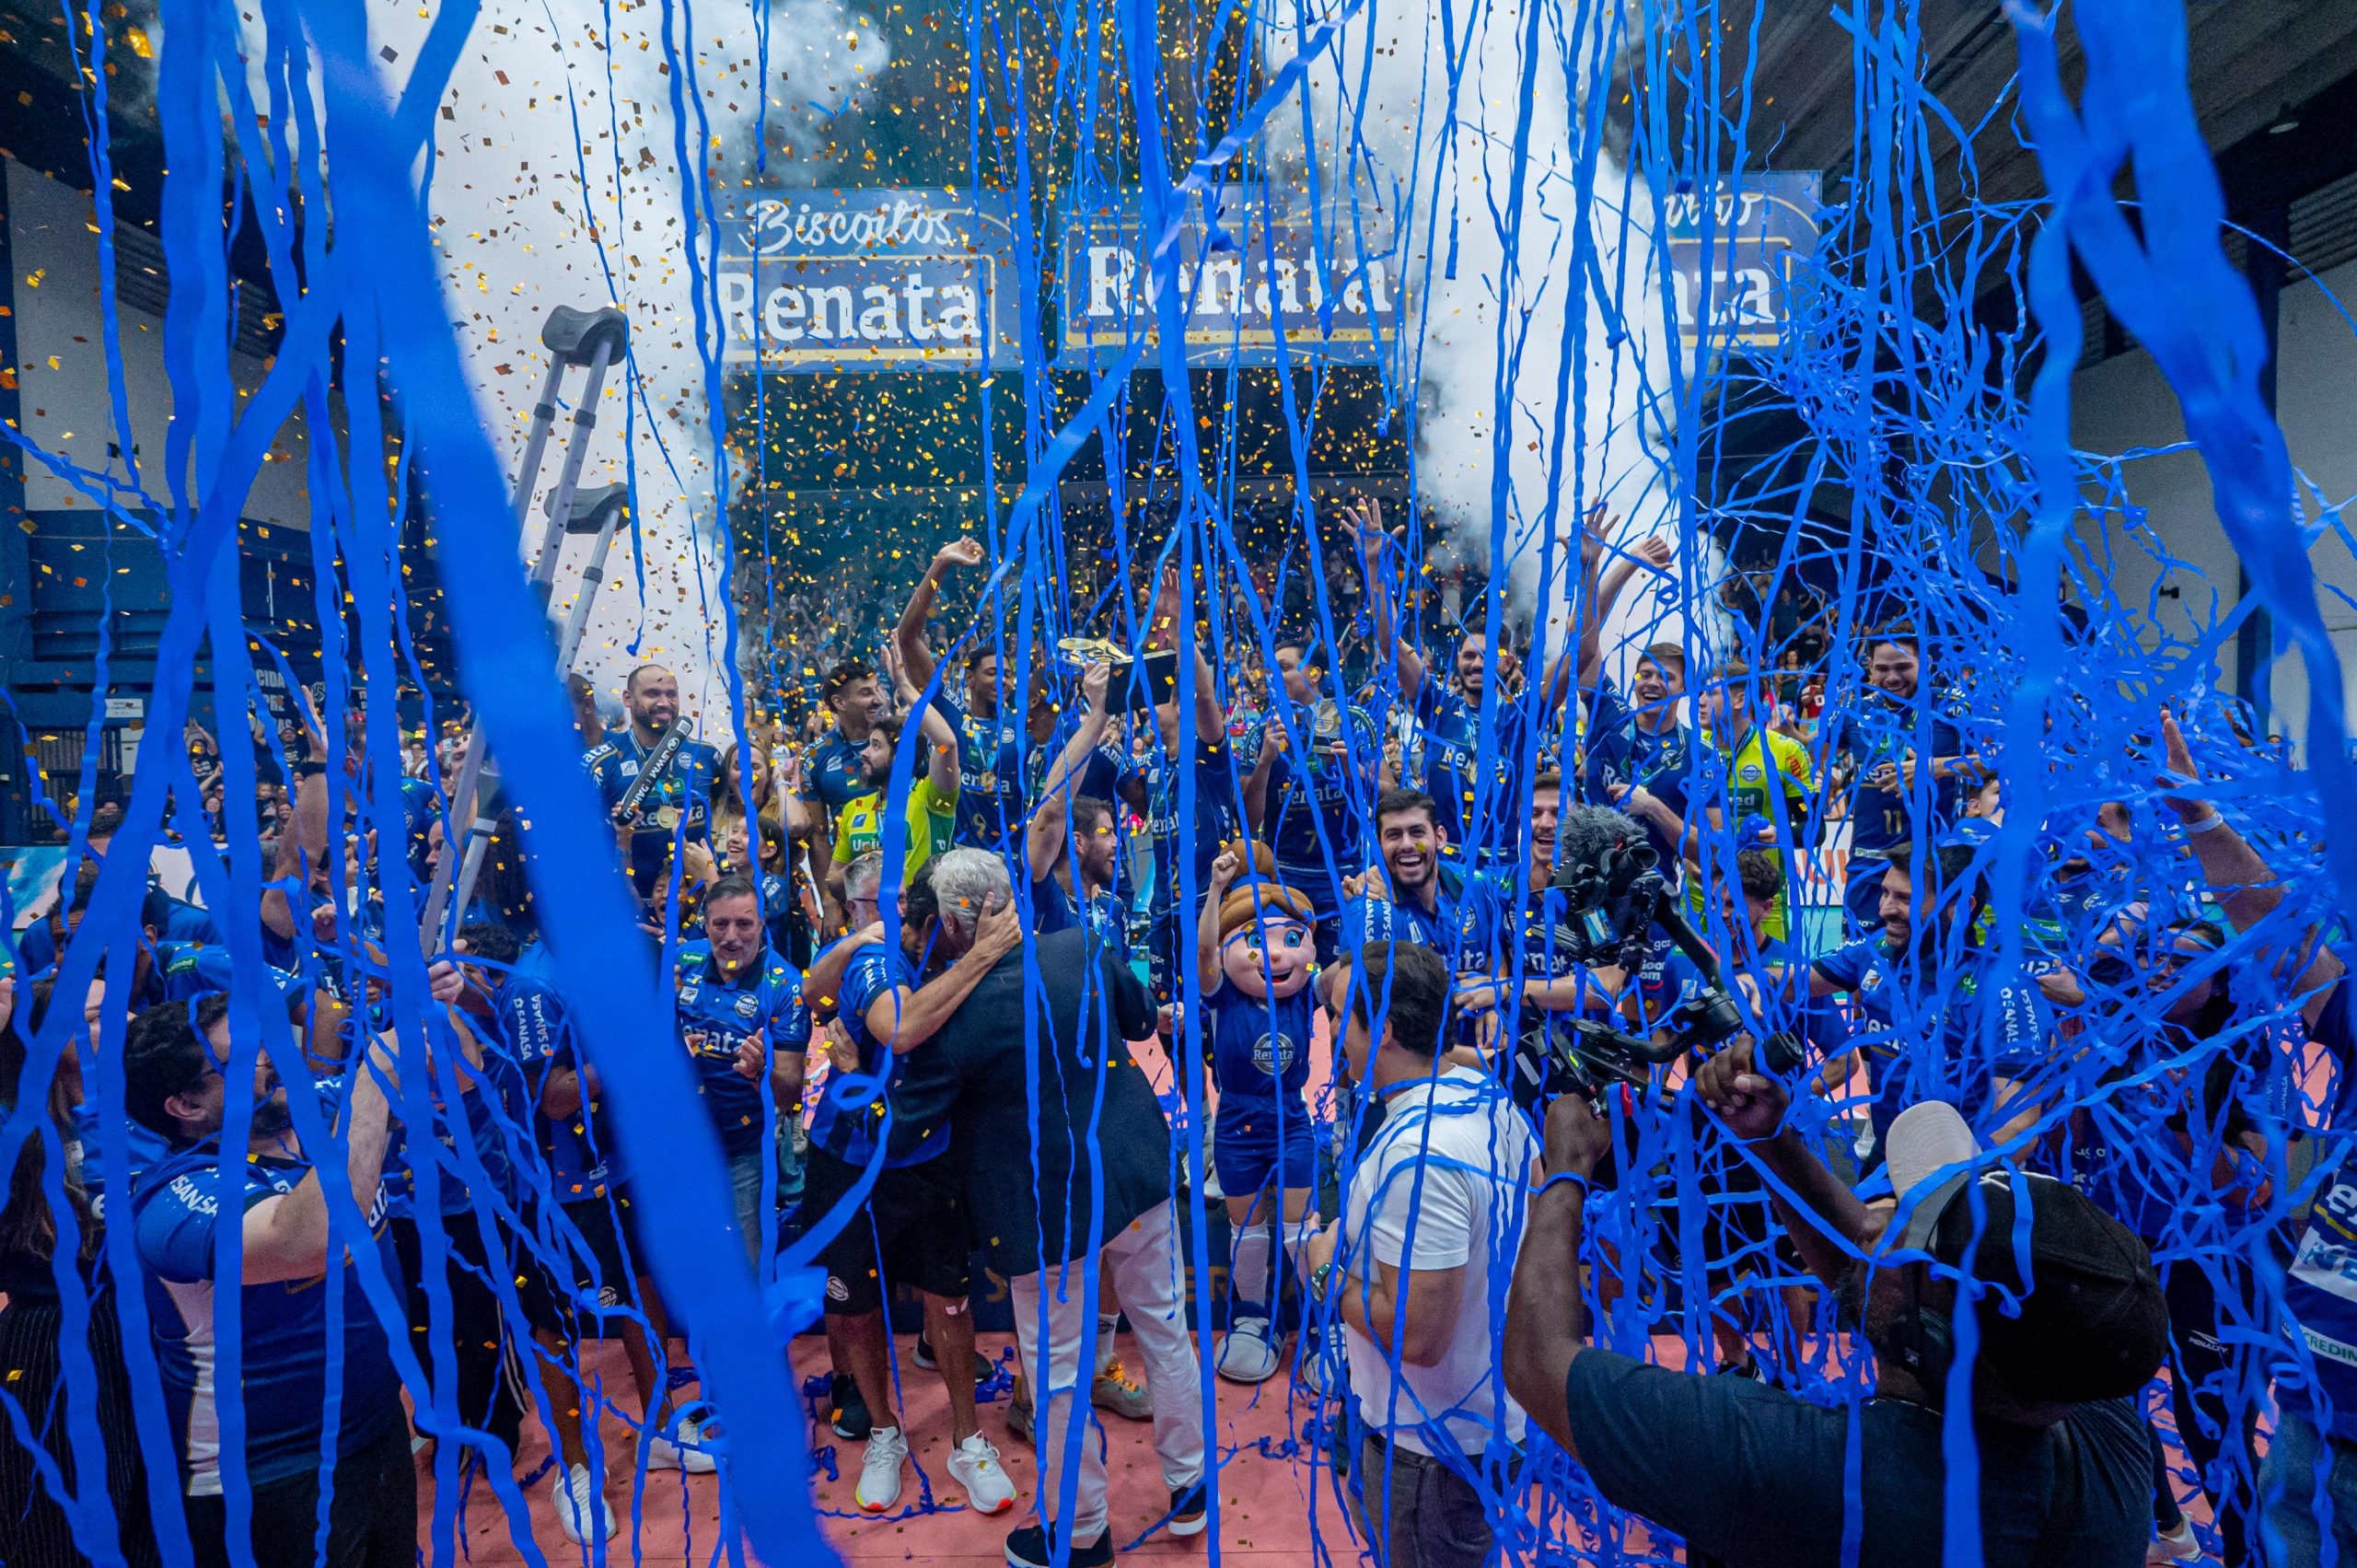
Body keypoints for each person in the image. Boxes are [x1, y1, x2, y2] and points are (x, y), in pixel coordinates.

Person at [1504, 1060, 2168, 1567]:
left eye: (1895, 1233)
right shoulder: (2086, 1406)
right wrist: (1771, 1140)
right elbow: (1869, 1283)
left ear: (1931, 1337)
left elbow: (1539, 1364)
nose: (1871, 1220)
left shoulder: (1812, 1473)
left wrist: (1564, 1169)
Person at [925, 848, 1208, 1568]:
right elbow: (1142, 1018)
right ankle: (1189, 1484)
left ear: (956, 927)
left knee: (1057, 1373)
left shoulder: (951, 1017)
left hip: (1046, 1208)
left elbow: (914, 1121)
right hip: (1135, 1171)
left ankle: (1082, 1533)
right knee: (1165, 1330)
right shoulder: (1079, 945)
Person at [122, 991, 414, 1568]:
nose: (276, 1058)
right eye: (246, 1058)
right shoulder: (170, 1203)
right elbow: (312, 1239)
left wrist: (433, 1000)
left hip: (374, 1427)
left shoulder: (315, 1114)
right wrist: (376, 1075)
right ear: (185, 1105)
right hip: (271, 1475)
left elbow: (460, 1071)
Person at [1301, 941, 1535, 1568]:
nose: (1328, 1030)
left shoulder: (1421, 1157)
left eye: (1339, 1015)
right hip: (1469, 1426)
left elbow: (1419, 1332)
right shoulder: (1487, 1099)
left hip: (1430, 1453)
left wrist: (1324, 1271)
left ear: (1384, 1030)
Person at [798, 854, 1020, 1516]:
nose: (981, 930)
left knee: (950, 1303)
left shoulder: (953, 950)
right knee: (860, 1305)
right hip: (853, 1164)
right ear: (938, 922)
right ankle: (886, 1434)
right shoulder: (880, 959)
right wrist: (982, 956)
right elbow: (900, 1027)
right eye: (965, 925)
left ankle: (966, 1438)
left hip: (930, 1158)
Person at [0, 976, 161, 1568]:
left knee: (145, 1511)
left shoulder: (141, 1107)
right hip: (52, 1342)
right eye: (94, 1017)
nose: (117, 1027)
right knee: (64, 1524)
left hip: (141, 1330)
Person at [1196, 842, 1320, 1384]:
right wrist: (1217, 891)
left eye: (1289, 940)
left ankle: (1318, 1324)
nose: (1275, 955)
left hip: (1292, 1119)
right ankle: (1251, 1318)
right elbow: (1202, 954)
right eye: (1256, 942)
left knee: (1300, 1228)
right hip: (1237, 1123)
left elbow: (1348, 973)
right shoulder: (1222, 993)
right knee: (1246, 1227)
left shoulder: (1304, 991)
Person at [673, 875, 810, 1258]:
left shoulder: (785, 985)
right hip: (677, 1146)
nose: (732, 936)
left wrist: (760, 1075)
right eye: (720, 924)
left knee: (743, 1269)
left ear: (762, 925)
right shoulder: (683, 961)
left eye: (744, 924)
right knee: (684, 1266)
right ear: (705, 924)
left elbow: (787, 1095)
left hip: (743, 1154)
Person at [895, 536, 1032, 854]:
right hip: (955, 860)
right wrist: (940, 563)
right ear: (969, 678)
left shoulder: (1022, 725)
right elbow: (907, 637)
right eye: (993, 673)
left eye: (1009, 675)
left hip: (1009, 863)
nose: (1003, 682)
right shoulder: (950, 712)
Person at [1242, 633, 1375, 964]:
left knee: (1341, 981)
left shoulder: (1353, 720)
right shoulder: (1262, 732)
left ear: (1313, 674)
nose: (1273, 676)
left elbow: (1387, 794)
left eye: (1283, 667)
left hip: (1344, 878)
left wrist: (1352, 771)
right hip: (1285, 879)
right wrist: (1264, 763)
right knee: (1285, 979)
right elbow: (1247, 820)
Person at [1829, 636, 1970, 933]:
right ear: (1869, 668)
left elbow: (2013, 754)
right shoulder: (1854, 712)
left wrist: (1940, 766)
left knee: (1930, 963)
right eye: (1882, 668)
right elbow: (1818, 751)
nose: (1892, 677)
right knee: (1859, 965)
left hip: (1933, 864)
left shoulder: (1953, 707)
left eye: (1903, 667)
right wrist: (1790, 730)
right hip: (1868, 865)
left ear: (1926, 664)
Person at [585, 665, 721, 899]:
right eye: (652, 693)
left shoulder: (706, 755)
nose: (664, 702)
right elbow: (582, 848)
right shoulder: (600, 763)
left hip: (702, 907)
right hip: (631, 910)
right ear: (628, 698)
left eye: (671, 694)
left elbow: (731, 811)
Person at [1025, 662, 1129, 958]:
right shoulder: (1045, 898)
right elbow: (1052, 812)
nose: (1116, 842)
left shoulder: (1115, 909)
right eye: (1106, 833)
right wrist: (1099, 714)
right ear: (1078, 842)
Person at [825, 689, 960, 912]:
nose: (864, 753)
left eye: (876, 746)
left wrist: (904, 685)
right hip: (867, 928)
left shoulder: (931, 797)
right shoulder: (854, 808)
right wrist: (862, 864)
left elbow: (947, 743)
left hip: (920, 926)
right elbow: (832, 882)